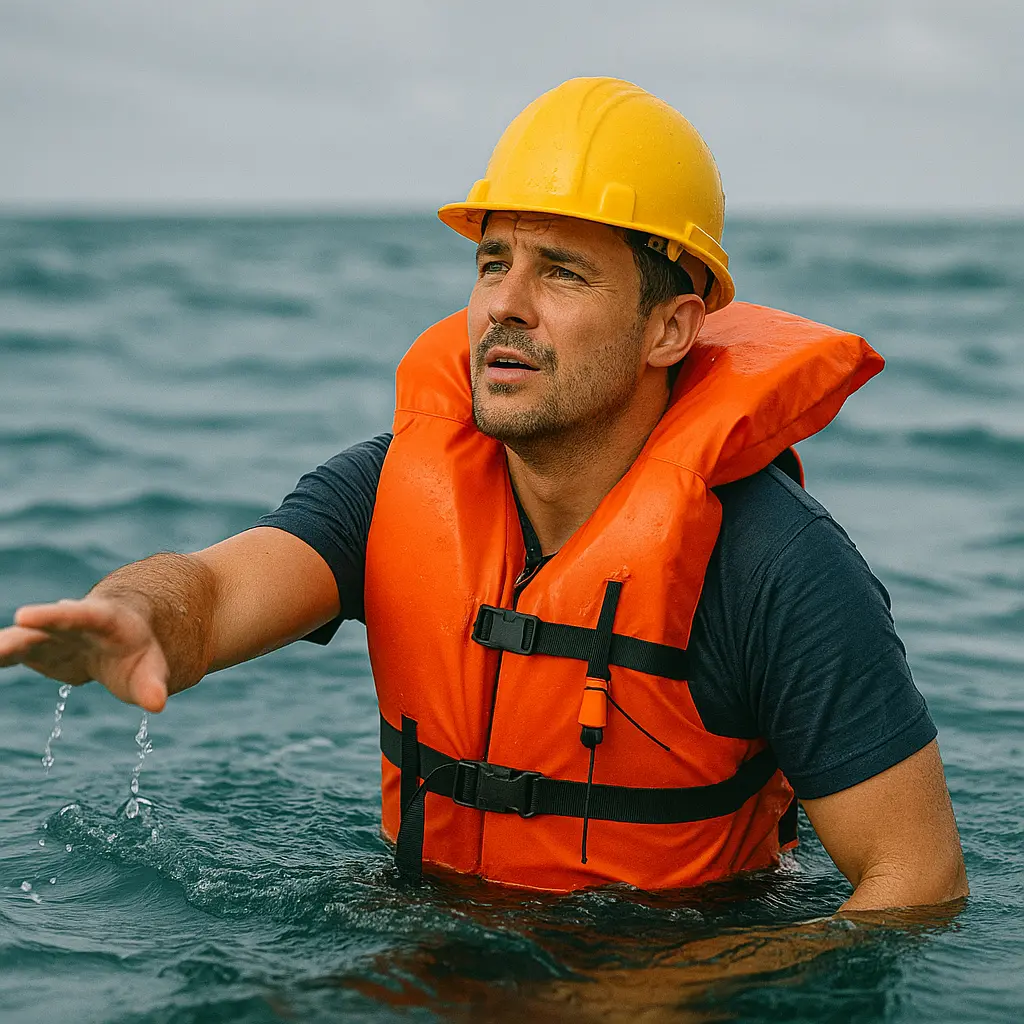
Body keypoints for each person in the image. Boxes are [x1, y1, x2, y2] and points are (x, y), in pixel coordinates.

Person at [0, 78, 966, 909]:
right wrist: (138, 611)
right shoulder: (389, 487)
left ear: (670, 330)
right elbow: (213, 594)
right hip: (423, 935)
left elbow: (917, 884)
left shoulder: (781, 568)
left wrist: (679, 988)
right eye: (493, 262)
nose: (506, 302)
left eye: (563, 272)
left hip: (674, 963)